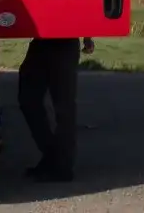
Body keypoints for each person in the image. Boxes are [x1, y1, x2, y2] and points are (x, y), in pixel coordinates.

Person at [17, 35, 96, 182]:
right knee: (28, 98)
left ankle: (62, 166)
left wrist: (87, 35)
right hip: (42, 39)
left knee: (64, 105)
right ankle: (53, 156)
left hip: (65, 41)